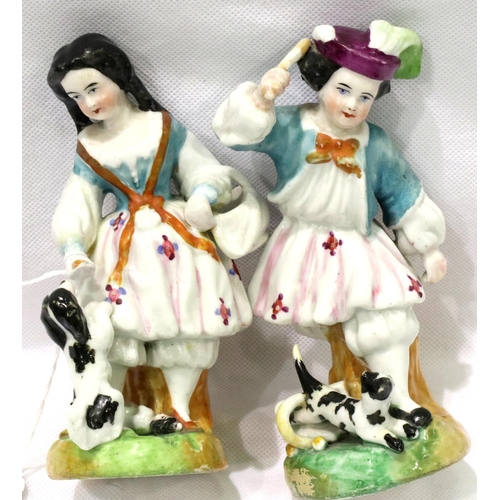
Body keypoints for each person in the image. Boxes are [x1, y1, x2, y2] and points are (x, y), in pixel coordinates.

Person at [213, 21, 447, 428]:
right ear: (322, 83)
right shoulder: (292, 126)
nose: (352, 105)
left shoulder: (375, 142)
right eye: (343, 90)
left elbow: (402, 192)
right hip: (305, 244)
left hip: (360, 244)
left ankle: (397, 398)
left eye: (365, 96)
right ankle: (351, 395)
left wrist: (428, 248)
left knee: (387, 320)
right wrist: (261, 100)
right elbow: (237, 135)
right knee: (333, 324)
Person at [47, 33, 268, 436]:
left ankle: (181, 409)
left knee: (185, 322)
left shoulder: (161, 126)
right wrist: (75, 246)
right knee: (115, 327)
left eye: (94, 88)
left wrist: (203, 193)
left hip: (176, 240)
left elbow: (202, 167)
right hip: (123, 248)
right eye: (77, 96)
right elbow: (78, 201)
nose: (89, 103)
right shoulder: (89, 145)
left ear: (118, 78)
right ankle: (112, 410)